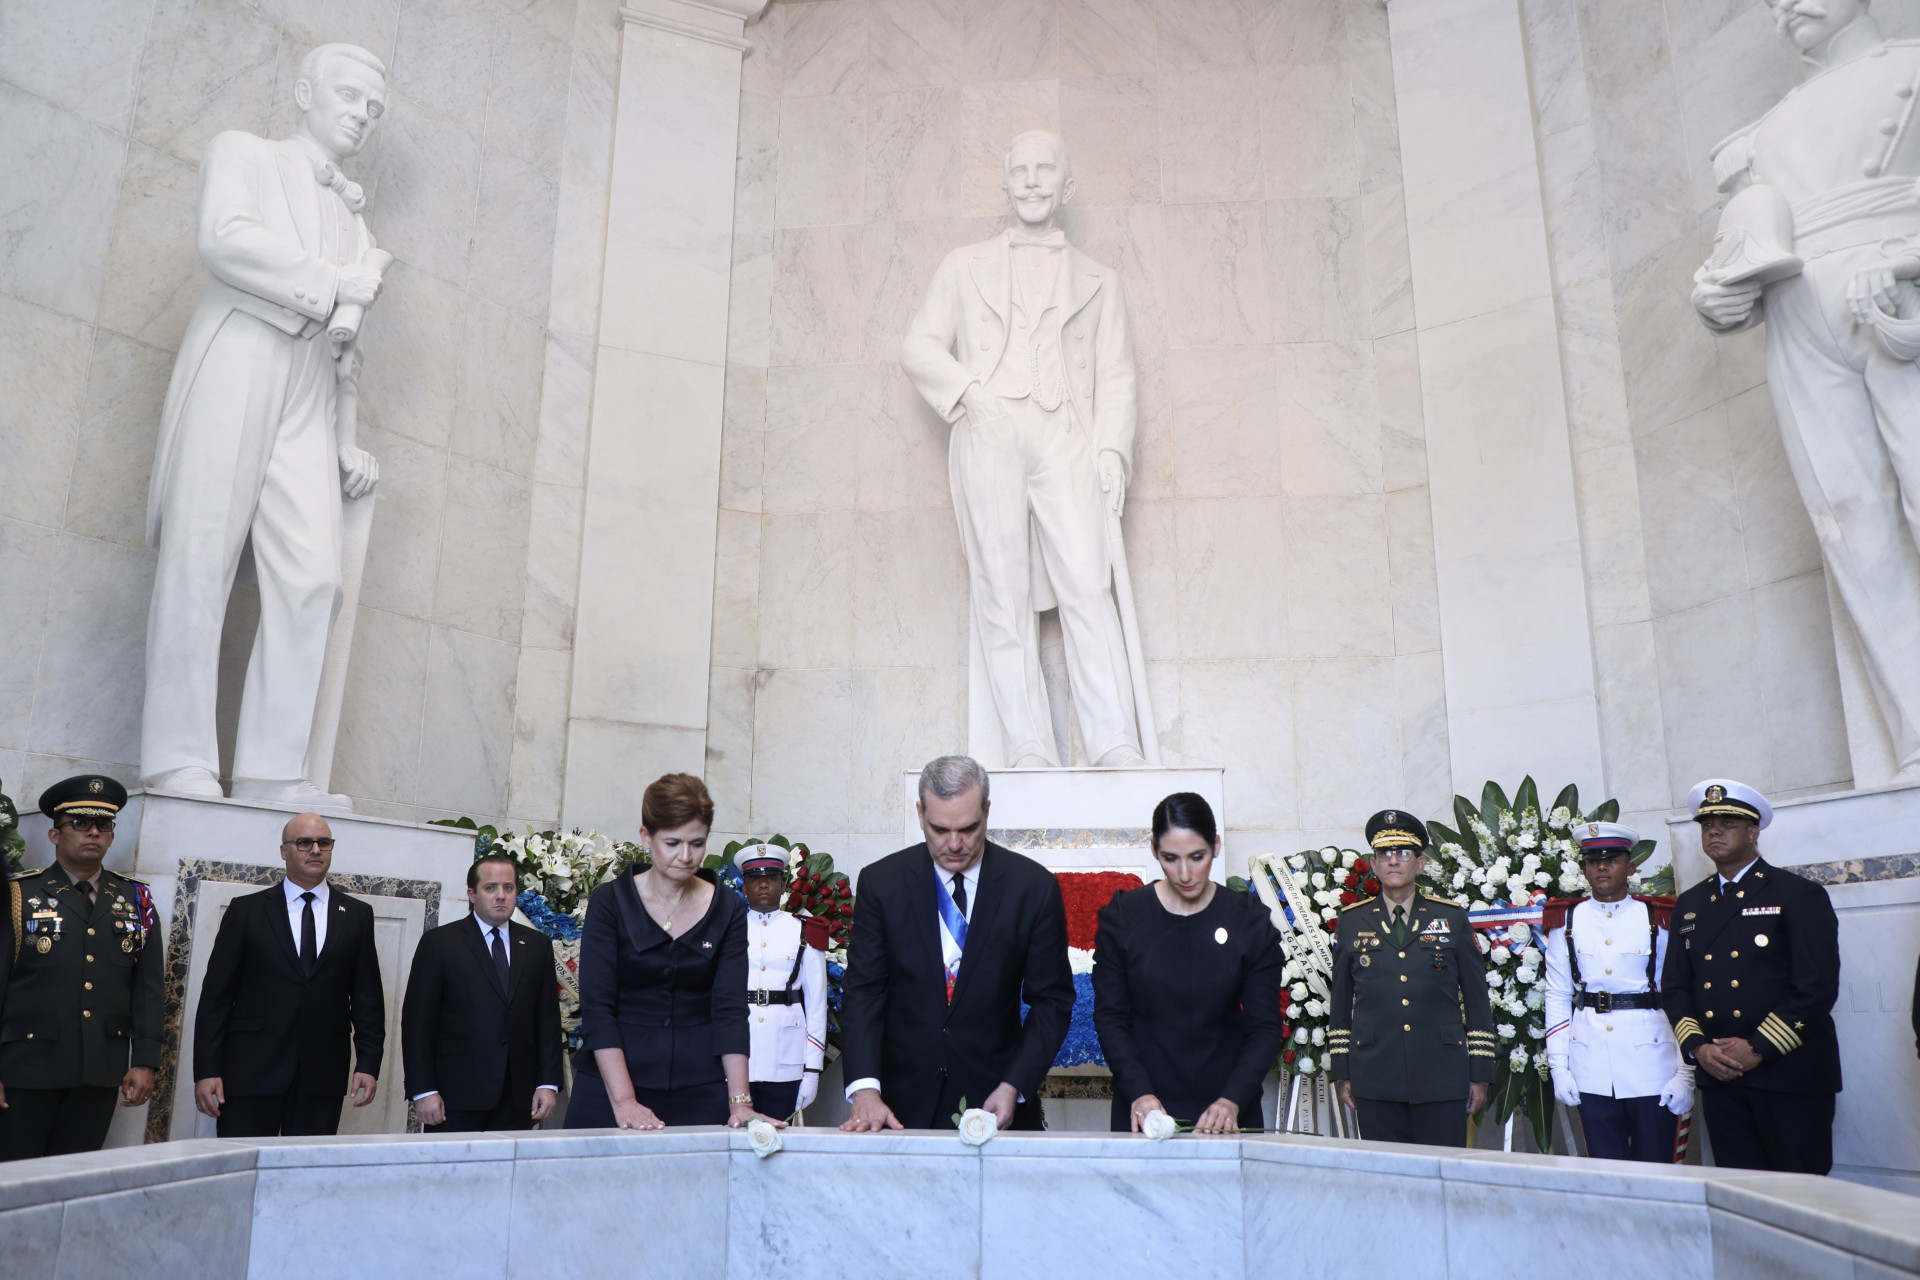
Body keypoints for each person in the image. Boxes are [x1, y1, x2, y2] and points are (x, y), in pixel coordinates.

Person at [141, 41, 391, 809]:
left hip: (312, 382)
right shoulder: (244, 152)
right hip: (241, 350)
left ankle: (272, 771)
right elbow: (224, 238)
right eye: (349, 96)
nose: (362, 116)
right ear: (306, 92)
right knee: (200, 552)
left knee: (315, 576)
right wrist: (335, 281)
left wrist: (345, 437)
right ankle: (178, 759)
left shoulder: (355, 218)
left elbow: (346, 349)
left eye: (373, 109)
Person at [901, 131, 1149, 769]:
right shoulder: (963, 265)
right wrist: (969, 392)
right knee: (1002, 592)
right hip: (991, 431)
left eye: (1045, 170)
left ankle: (1113, 739)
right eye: (1020, 171)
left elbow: (1117, 375)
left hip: (1067, 435)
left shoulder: (1101, 280)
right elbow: (919, 346)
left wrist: (1112, 451)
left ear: (1067, 186)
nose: (1033, 181)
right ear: (1006, 184)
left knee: (1088, 586)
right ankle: (1028, 744)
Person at [840, 755, 1074, 1133]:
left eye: (968, 828)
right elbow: (864, 991)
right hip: (899, 1107)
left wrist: (1014, 1086)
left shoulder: (1032, 888)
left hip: (998, 1100)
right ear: (920, 814)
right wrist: (865, 1089)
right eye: (939, 829)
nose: (953, 844)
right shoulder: (882, 884)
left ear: (987, 812)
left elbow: (1052, 1001)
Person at [566, 774, 780, 1131]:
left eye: (697, 843)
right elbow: (598, 1008)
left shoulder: (726, 905)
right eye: (672, 843)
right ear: (646, 836)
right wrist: (625, 1102)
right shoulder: (610, 901)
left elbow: (729, 1009)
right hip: (611, 1086)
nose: (685, 856)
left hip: (700, 1087)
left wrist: (741, 1102)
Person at [1662, 779, 1842, 1174]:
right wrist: (1698, 1048)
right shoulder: (1690, 904)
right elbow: (1675, 987)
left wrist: (1758, 1047)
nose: (1714, 832)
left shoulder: (1797, 894)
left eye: (1727, 823)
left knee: (1799, 1193)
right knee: (1741, 1195)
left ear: (1753, 832)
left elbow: (1816, 988)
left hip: (1787, 1075)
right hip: (1719, 1076)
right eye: (1708, 825)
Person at [1092, 793, 1284, 1134]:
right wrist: (1139, 1091)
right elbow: (1111, 1018)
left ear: (1216, 845)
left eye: (1197, 857)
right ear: (1154, 850)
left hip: (1228, 1109)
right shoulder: (1124, 918)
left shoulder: (1248, 921)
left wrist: (1232, 1099)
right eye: (1170, 858)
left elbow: (1264, 1028)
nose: (1184, 874)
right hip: (1144, 1109)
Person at [192, 812, 385, 1137]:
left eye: (324, 843)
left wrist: (368, 1063)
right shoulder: (247, 912)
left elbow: (368, 999)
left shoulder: (356, 915)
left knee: (307, 1166)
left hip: (321, 1075)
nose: (315, 850)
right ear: (284, 851)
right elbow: (216, 998)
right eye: (304, 842)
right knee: (243, 1160)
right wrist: (207, 1069)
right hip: (251, 1071)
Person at [0, 776, 162, 1160]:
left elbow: (148, 987)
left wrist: (145, 1060)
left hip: (99, 1071)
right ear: (55, 835)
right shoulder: (18, 894)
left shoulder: (136, 899)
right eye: (80, 823)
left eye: (103, 825)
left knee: (74, 1180)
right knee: (14, 1177)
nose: (93, 832)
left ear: (111, 836)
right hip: (26, 1069)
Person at [1329, 810, 1495, 1147]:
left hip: (1441, 1076)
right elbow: (1341, 1003)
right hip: (1375, 1076)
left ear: (1420, 864)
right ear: (1374, 865)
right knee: (1386, 1172)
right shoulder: (1352, 921)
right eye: (1384, 854)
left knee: (1443, 1170)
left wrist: (1480, 1075)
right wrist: (1342, 1072)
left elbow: (1477, 999)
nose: (1393, 861)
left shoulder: (1450, 918)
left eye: (1403, 853)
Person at [1542, 821, 1693, 1162]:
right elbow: (1557, 996)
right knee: (1606, 1176)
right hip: (1591, 1068)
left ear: (1631, 867)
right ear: (1584, 870)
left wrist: (1686, 1073)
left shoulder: (1658, 918)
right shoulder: (1567, 921)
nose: (1602, 867)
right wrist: (1559, 1068)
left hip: (1653, 1067)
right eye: (1593, 861)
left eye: (1612, 860)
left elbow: (1680, 995)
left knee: (1658, 1173)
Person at [401, 852, 563, 1132]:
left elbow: (547, 1020)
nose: (501, 895)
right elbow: (418, 1023)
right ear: (472, 894)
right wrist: (423, 1090)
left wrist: (547, 1083)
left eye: (508, 887)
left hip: (518, 1098)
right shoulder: (440, 943)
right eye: (490, 888)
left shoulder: (538, 945)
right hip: (454, 1098)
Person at [732, 844, 827, 1121]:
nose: (763, 885)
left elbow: (817, 1004)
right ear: (744, 887)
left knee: (781, 1139)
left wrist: (812, 1071)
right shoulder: (729, 929)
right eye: (755, 879)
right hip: (738, 1057)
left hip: (787, 1062)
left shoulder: (806, 930)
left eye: (771, 878)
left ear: (783, 885)